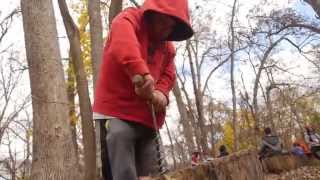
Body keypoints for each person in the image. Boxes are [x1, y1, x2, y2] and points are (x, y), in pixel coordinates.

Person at [93, 0, 194, 179]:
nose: (165, 30)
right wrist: (140, 74)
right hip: (116, 111)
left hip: (147, 119)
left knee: (151, 170)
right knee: (119, 140)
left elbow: (169, 75)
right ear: (151, 13)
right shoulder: (129, 19)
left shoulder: (168, 49)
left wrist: (161, 94)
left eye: (170, 27)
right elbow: (123, 42)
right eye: (162, 22)